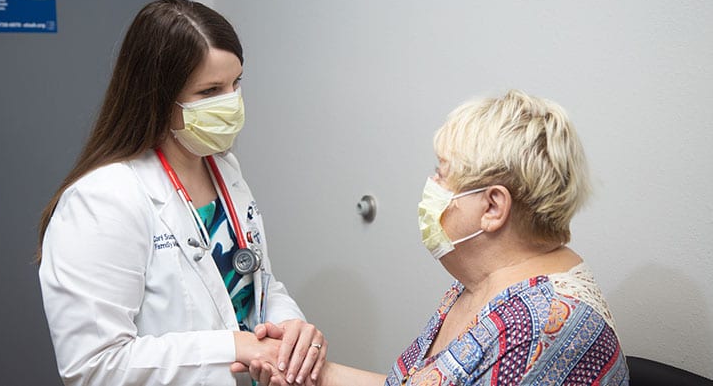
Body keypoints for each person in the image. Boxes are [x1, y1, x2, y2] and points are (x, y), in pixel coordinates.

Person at [245, 90, 629, 385]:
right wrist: (312, 372)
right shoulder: (484, 283)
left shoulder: (539, 323)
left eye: (443, 174)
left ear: (493, 207)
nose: (431, 186)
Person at [38, 0, 326, 386]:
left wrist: (289, 328)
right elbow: (95, 365)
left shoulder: (223, 169)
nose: (231, 102)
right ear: (156, 96)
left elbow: (255, 282)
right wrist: (233, 347)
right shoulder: (102, 200)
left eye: (235, 83)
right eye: (210, 92)